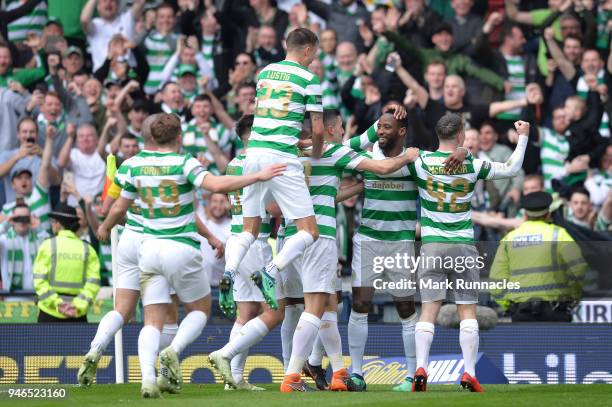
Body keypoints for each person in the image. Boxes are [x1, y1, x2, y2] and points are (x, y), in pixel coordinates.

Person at [97, 113, 285, 398]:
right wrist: (260, 176)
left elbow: (117, 208)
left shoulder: (134, 165)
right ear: (179, 137)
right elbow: (217, 187)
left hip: (147, 248)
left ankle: (148, 376)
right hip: (184, 245)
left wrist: (104, 226)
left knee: (152, 319)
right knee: (200, 310)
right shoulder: (185, 162)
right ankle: (177, 351)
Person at [77, 114, 224, 391]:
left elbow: (109, 207)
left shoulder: (129, 167)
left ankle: (96, 348)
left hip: (131, 238)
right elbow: (187, 214)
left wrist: (108, 225)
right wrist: (211, 237)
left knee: (122, 310)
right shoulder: (174, 164)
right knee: (166, 316)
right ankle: (165, 366)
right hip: (160, 240)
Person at [409, 114, 530, 393]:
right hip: (463, 244)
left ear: (438, 135)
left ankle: (421, 367)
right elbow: (512, 168)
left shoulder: (422, 162)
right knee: (467, 311)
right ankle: (469, 373)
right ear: (461, 136)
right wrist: (523, 137)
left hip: (432, 244)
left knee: (428, 310)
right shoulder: (472, 165)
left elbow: (390, 165)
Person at [219, 28, 325, 314]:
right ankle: (270, 270)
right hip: (282, 160)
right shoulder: (309, 78)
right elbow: (317, 128)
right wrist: (314, 153)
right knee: (309, 231)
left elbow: (270, 116)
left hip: (253, 154)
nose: (313, 60)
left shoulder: (266, 72)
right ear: (306, 50)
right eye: (314, 54)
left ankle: (229, 271)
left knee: (249, 228)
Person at [490, 191, 588, 322]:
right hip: (555, 313)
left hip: (521, 314)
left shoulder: (509, 239)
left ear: (525, 215)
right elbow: (579, 268)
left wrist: (508, 305)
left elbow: (496, 280)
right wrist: (573, 296)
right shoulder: (559, 235)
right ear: (548, 214)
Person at [33, 202, 101, 322]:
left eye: (53, 221)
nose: (52, 225)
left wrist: (58, 304)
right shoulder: (88, 249)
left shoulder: (47, 245)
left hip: (49, 312)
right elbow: (93, 284)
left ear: (58, 224)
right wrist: (78, 305)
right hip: (77, 314)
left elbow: (39, 281)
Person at [0, 203, 47, 293]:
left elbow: (52, 248)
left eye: (25, 218)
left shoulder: (39, 239)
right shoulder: (4, 239)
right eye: (18, 218)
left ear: (30, 219)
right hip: (11, 296)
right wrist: (5, 225)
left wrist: (39, 228)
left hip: (35, 295)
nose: (22, 222)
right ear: (12, 219)